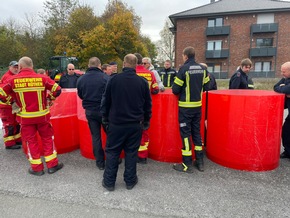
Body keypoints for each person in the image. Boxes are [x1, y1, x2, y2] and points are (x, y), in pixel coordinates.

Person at [0, 56, 63, 176]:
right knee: (47, 139)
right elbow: (58, 90)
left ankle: (37, 168)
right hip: (42, 117)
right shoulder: (42, 78)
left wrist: (12, 102)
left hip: (25, 118)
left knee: (31, 141)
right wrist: (49, 99)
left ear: (20, 67)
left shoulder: (13, 80)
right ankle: (52, 165)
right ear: (32, 66)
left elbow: (1, 93)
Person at [101, 54, 152, 191]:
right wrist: (146, 120)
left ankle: (109, 182)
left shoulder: (113, 80)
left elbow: (105, 102)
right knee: (131, 152)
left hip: (116, 123)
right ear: (136, 65)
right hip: (135, 124)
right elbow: (148, 104)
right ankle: (130, 181)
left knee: (112, 152)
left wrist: (104, 118)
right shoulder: (142, 82)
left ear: (124, 63)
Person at [172, 46, 209, 173]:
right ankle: (200, 162)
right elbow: (207, 85)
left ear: (186, 56)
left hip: (185, 108)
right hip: (197, 107)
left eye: (182, 55)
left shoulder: (183, 69)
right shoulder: (203, 69)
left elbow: (175, 89)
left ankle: (186, 164)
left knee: (186, 135)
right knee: (197, 133)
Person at [77, 57, 109, 170]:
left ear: (89, 65)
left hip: (90, 111)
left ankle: (100, 163)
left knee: (96, 137)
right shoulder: (106, 78)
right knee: (110, 135)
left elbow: (80, 95)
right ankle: (112, 159)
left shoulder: (81, 79)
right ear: (99, 65)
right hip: (105, 111)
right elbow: (110, 95)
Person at [135, 53, 159, 164]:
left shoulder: (130, 73)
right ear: (141, 62)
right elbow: (155, 90)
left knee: (131, 132)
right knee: (144, 133)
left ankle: (132, 155)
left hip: (130, 109)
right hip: (145, 108)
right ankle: (143, 156)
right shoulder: (150, 74)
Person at [0, 61, 22, 149]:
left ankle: (17, 139)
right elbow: (1, 92)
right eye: (14, 67)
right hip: (7, 105)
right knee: (9, 124)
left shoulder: (15, 76)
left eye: (17, 67)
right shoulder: (7, 77)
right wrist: (11, 101)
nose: (16, 69)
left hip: (14, 104)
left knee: (16, 122)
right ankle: (9, 143)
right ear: (9, 67)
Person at [274, 61, 290, 159]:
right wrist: (283, 88)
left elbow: (287, 90)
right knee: (286, 131)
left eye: (284, 71)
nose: (282, 73)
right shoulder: (285, 79)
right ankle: (288, 152)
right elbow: (275, 87)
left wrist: (285, 89)